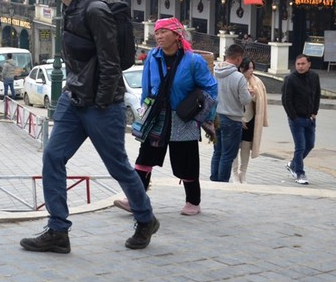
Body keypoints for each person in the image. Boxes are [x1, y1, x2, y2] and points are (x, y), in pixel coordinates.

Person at [20, 0, 159, 253]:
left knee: (118, 166)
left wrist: (101, 101)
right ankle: (58, 231)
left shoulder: (95, 10)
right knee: (53, 157)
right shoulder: (70, 9)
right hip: (75, 98)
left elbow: (111, 63)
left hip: (100, 104)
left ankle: (146, 219)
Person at [114, 17, 217, 216]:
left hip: (183, 117)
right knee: (145, 157)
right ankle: (135, 199)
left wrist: (204, 116)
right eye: (157, 32)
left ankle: (193, 202)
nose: (158, 36)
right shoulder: (153, 56)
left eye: (163, 32)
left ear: (177, 35)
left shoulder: (193, 60)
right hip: (156, 114)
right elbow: (146, 88)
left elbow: (211, 88)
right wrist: (143, 114)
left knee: (186, 160)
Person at [210, 43, 253, 182]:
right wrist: (250, 93)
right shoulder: (238, 77)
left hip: (216, 116)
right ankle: (222, 182)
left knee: (217, 152)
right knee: (228, 155)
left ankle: (214, 179)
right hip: (232, 119)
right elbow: (246, 100)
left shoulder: (214, 72)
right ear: (239, 59)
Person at [282, 54, 321, 185]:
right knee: (300, 146)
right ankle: (300, 173)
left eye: (303, 64)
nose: (300, 66)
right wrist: (293, 117)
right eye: (298, 64)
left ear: (309, 64)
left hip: (310, 118)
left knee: (310, 145)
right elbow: (286, 100)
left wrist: (314, 112)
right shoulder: (290, 79)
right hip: (296, 119)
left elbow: (317, 95)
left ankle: (293, 164)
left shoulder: (314, 77)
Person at [231, 57, 270, 184]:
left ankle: (243, 173)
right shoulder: (236, 79)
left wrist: (253, 95)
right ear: (242, 68)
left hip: (251, 118)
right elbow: (232, 99)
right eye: (249, 68)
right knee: (235, 146)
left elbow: (260, 101)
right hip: (237, 118)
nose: (251, 71)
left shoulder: (257, 82)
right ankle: (234, 173)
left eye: (253, 67)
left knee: (246, 146)